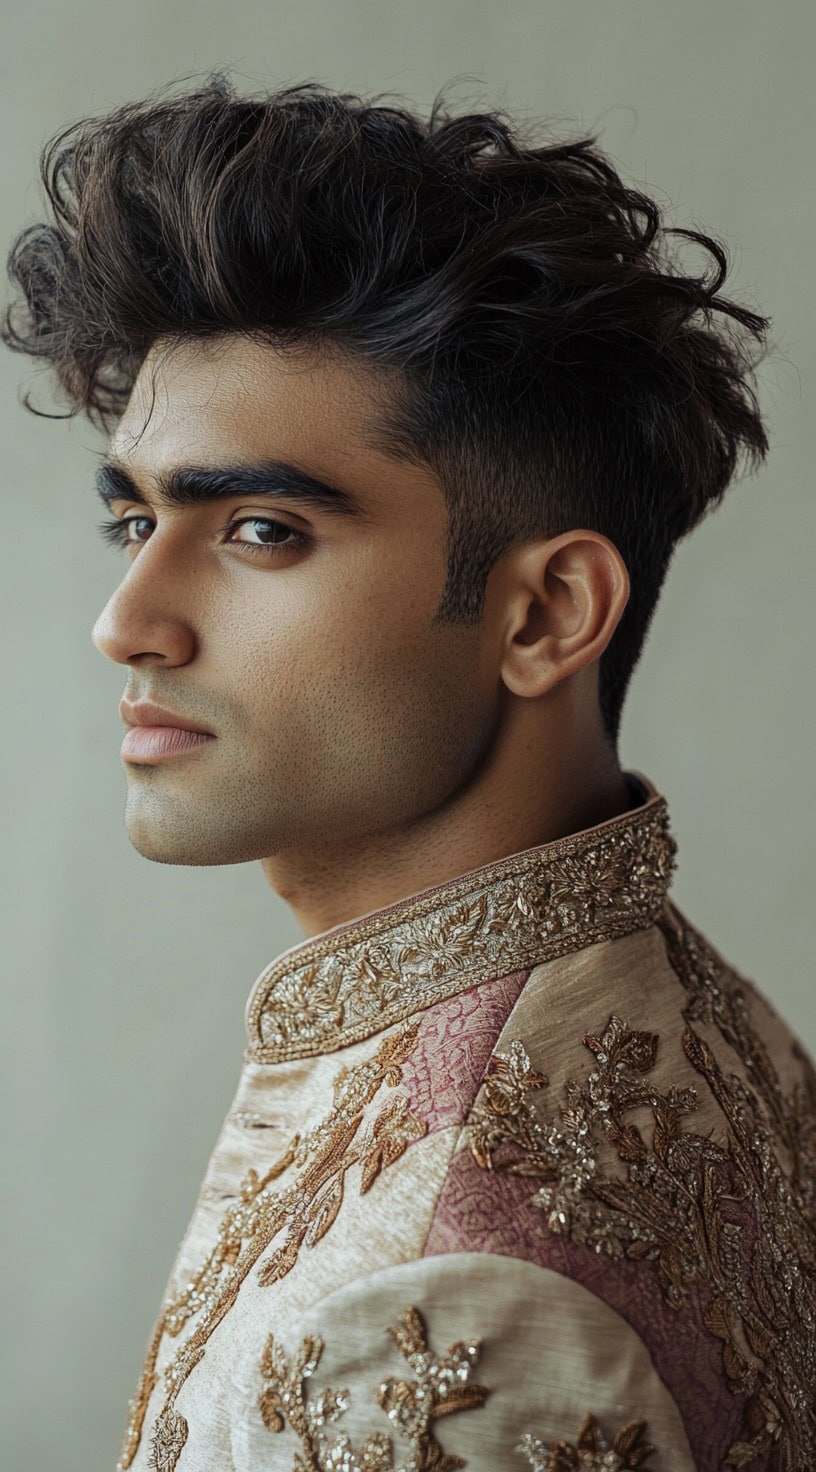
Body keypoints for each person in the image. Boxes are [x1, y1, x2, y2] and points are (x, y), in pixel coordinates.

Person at [4, 70, 814, 1472]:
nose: (128, 620)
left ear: (546, 613)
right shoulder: (700, 1008)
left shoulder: (440, 1305)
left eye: (260, 529)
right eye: (132, 521)